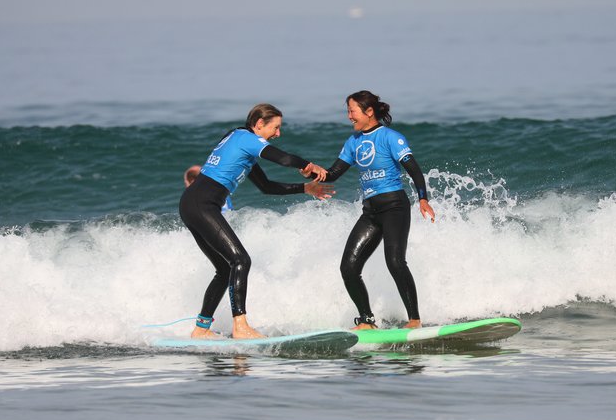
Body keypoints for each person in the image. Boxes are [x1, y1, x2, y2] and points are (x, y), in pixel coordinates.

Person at [179, 103, 332, 339]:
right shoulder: (245, 138)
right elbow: (283, 158)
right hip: (202, 204)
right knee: (241, 260)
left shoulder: (241, 145)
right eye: (276, 128)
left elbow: (266, 187)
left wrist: (305, 188)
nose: (278, 134)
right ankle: (240, 326)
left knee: (223, 268)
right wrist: (308, 166)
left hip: (193, 203)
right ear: (259, 124)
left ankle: (201, 329)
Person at [313, 90, 435, 330]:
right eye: (347, 111)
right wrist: (311, 172)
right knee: (348, 266)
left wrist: (423, 199)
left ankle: (414, 320)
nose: (349, 116)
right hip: (370, 212)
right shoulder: (353, 142)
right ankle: (367, 320)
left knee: (395, 262)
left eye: (352, 111)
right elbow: (334, 173)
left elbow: (414, 169)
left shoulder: (390, 137)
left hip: (394, 207)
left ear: (369, 112)